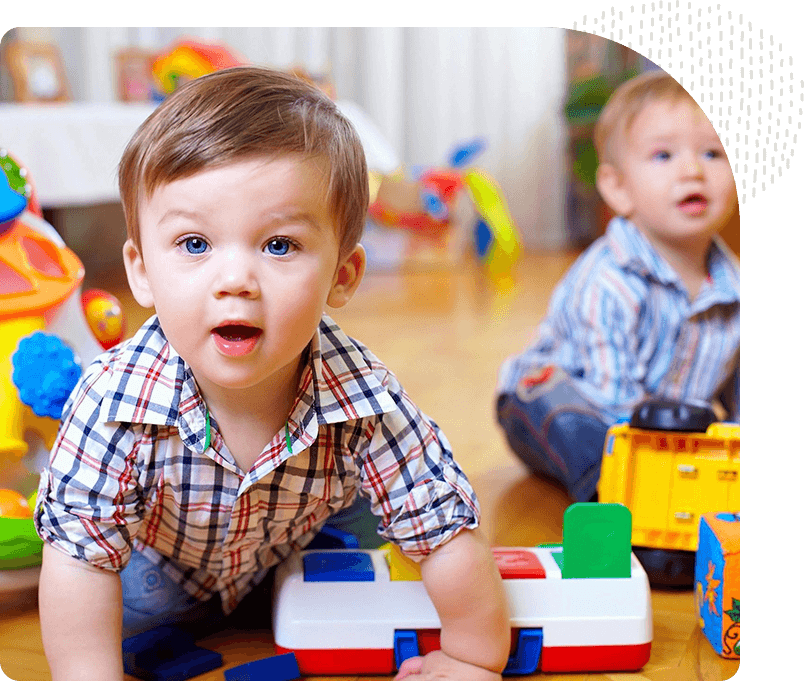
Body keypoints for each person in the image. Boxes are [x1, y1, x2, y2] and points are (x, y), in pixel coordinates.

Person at [35, 67, 510, 681]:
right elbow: (79, 558)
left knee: (373, 563)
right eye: (195, 244)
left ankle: (293, 592)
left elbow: (443, 527)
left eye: (279, 245)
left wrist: (474, 656)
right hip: (159, 570)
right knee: (110, 609)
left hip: (300, 546)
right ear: (142, 270)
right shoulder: (112, 399)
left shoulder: (365, 395)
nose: (235, 280)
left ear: (342, 275)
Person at [496, 70, 740, 503]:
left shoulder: (732, 287)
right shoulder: (608, 280)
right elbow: (612, 400)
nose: (692, 170)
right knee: (573, 420)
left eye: (713, 153)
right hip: (562, 403)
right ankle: (607, 495)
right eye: (664, 156)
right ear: (618, 188)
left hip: (669, 432)